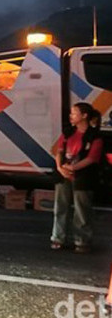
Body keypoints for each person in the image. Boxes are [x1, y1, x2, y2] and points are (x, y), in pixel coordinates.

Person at [51, 103, 102, 253]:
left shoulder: (94, 136)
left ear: (84, 116)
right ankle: (57, 238)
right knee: (61, 206)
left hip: (83, 177)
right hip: (64, 175)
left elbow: (92, 158)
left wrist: (72, 168)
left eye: (74, 113)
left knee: (82, 209)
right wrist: (61, 168)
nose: (71, 116)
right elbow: (59, 151)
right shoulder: (68, 133)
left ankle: (82, 240)